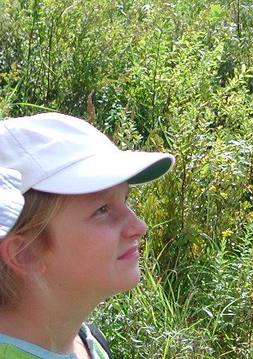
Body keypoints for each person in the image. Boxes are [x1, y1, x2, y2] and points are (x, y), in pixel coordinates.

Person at [0, 112, 174, 358]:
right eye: (102, 210)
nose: (139, 226)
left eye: (126, 199)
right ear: (24, 253)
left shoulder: (86, 341)